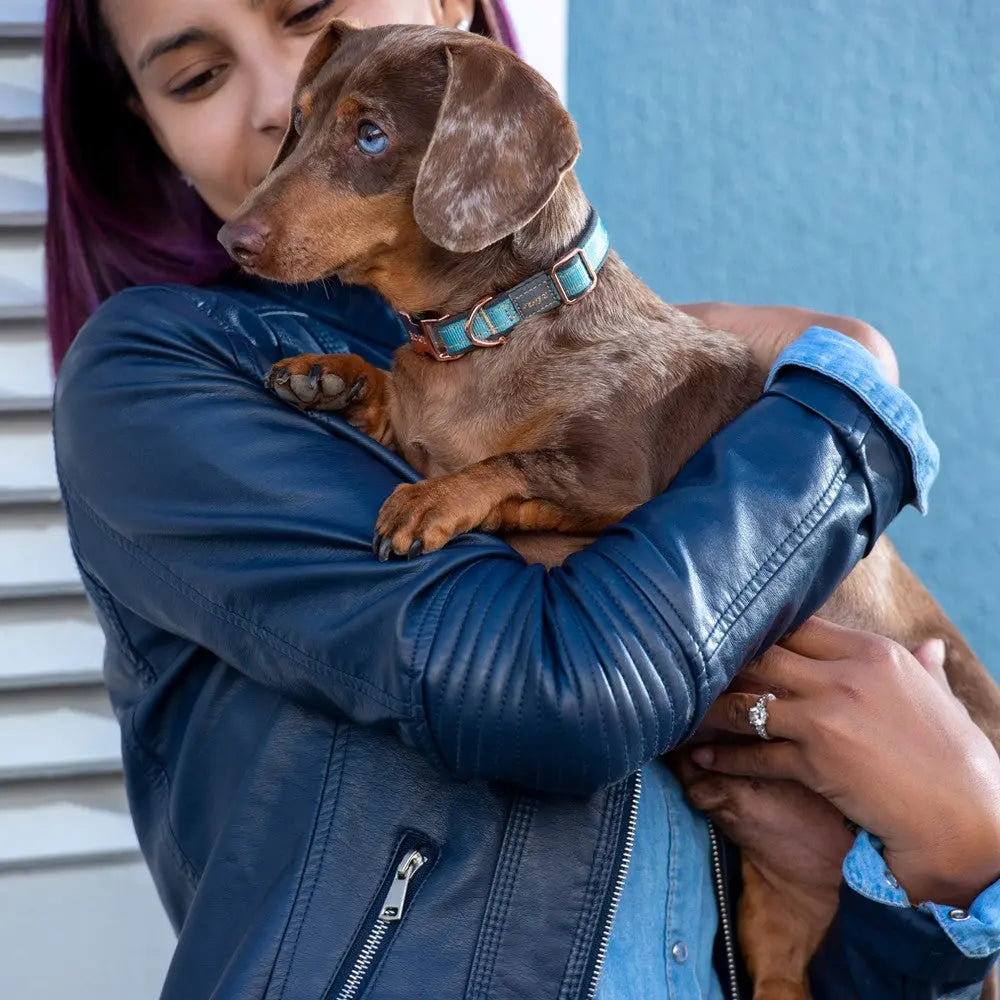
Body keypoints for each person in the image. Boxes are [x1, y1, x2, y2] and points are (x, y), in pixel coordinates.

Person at [44, 1, 1000, 997]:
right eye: (196, 78)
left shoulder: (604, 372)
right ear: (141, 123)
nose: (280, 102)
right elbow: (559, 689)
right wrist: (848, 394)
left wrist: (952, 851)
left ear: (452, 6)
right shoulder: (155, 379)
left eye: (308, 13)